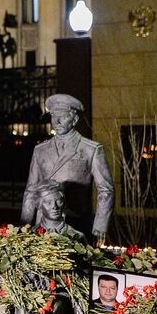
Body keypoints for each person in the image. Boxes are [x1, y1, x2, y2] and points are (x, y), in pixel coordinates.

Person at [21, 94, 114, 242]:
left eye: (63, 117)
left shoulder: (91, 149)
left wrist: (100, 224)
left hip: (76, 221)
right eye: (53, 117)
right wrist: (24, 224)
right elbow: (31, 189)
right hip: (44, 223)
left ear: (75, 120)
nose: (56, 122)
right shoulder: (40, 150)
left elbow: (105, 189)